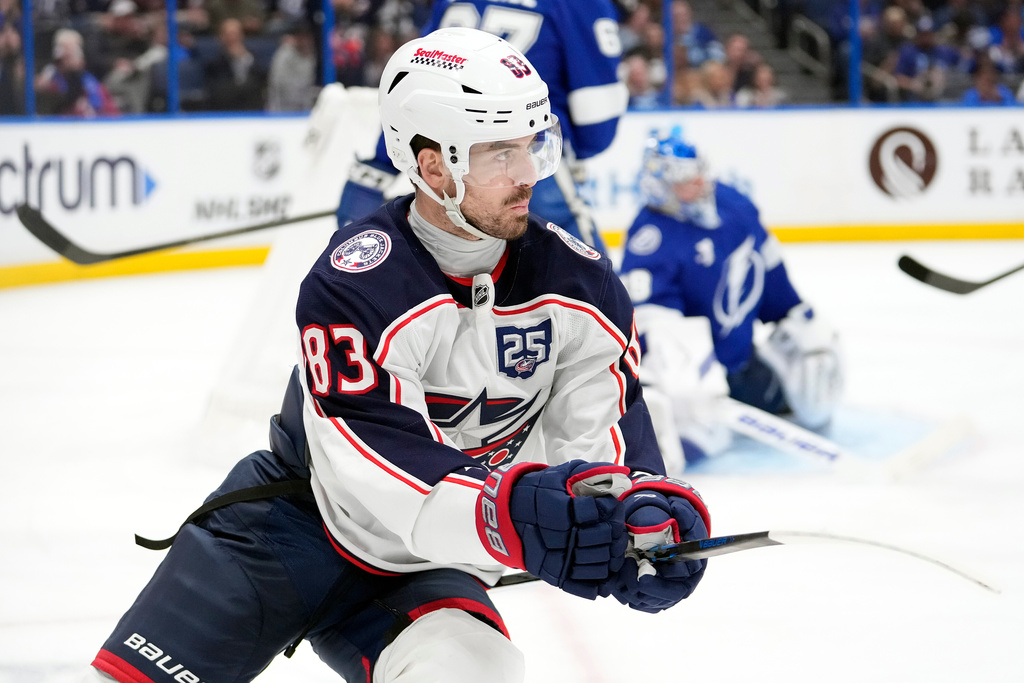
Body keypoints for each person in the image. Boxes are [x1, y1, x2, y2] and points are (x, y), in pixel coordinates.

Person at [82, 28, 711, 683]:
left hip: (423, 564)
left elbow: (604, 454)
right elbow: (384, 475)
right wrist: (515, 513)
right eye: (500, 153)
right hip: (292, 522)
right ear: (433, 166)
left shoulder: (582, 288)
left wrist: (639, 517)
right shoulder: (354, 282)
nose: (527, 174)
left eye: (532, 146)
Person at [618, 127, 844, 471]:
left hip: (741, 363)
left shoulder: (734, 205)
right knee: (694, 449)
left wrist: (793, 312)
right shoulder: (649, 237)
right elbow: (652, 324)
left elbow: (767, 267)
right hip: (697, 385)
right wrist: (688, 379)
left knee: (813, 360)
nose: (699, 186)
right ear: (659, 187)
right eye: (685, 182)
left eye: (698, 175)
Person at [334, 0, 630, 253]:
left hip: (442, 149)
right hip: (523, 141)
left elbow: (413, 79)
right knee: (572, 257)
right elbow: (597, 120)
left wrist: (383, 159)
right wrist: (571, 148)